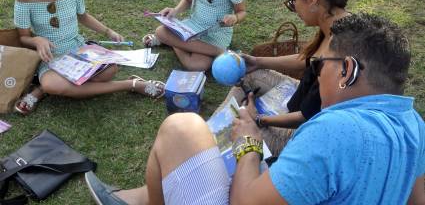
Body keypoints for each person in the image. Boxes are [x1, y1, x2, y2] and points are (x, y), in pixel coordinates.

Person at [85, 13, 425, 205]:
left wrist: (247, 142)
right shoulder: (416, 126)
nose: (316, 74)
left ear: (347, 71)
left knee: (183, 128)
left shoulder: (334, 131)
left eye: (320, 65)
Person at [220, 0, 349, 155]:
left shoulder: (338, 55)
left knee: (234, 136)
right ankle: (220, 122)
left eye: (293, 0)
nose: (293, 8)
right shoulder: (338, 25)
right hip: (297, 100)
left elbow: (306, 118)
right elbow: (307, 61)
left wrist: (258, 120)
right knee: (251, 73)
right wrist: (258, 61)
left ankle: (227, 130)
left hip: (299, 134)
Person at [13, 0, 165, 115]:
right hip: (51, 57)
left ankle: (41, 90)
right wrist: (37, 40)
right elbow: (23, 37)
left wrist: (108, 31)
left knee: (110, 71)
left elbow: (83, 16)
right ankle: (132, 84)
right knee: (53, 85)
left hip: (77, 48)